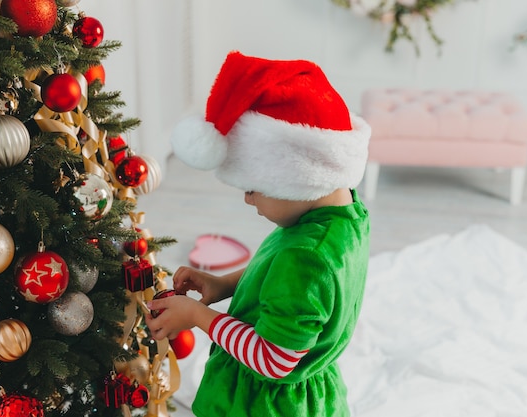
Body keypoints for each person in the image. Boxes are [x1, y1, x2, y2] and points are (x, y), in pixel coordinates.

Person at [145, 51, 371, 416]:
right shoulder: (342, 218)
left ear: (293, 176)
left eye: (252, 186)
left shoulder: (308, 256)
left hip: (263, 404)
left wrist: (198, 317)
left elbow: (274, 359)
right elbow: (276, 275)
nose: (248, 199)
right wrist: (223, 285)